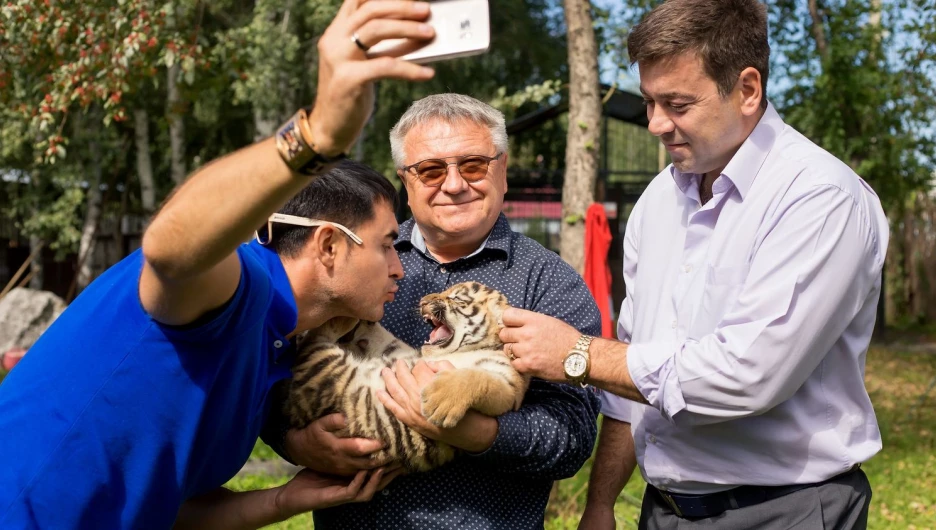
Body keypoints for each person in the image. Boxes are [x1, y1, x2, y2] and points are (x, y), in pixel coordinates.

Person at [0, 1, 440, 527]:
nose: (400, 267)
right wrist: (316, 135)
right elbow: (168, 247)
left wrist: (287, 500)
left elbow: (170, 508)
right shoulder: (242, 286)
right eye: (388, 243)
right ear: (328, 245)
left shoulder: (279, 349)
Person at [499, 1, 889, 529]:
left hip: (783, 511)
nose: (656, 123)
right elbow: (635, 364)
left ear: (747, 90)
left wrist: (579, 354)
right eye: (650, 102)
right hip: (664, 511)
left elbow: (747, 376)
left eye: (677, 103)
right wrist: (601, 502)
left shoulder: (819, 198)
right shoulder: (659, 202)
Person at [263, 93, 603, 529]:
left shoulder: (549, 281)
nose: (455, 184)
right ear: (405, 180)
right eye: (430, 169)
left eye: (474, 165)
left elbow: (572, 437)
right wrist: (294, 442)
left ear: (502, 168)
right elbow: (268, 375)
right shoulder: (351, 260)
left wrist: (476, 434)